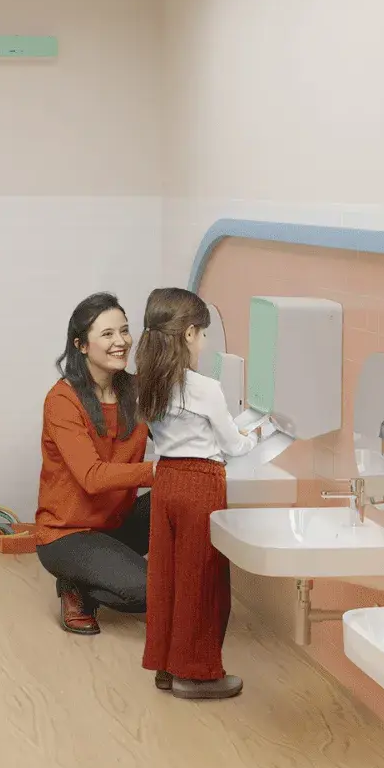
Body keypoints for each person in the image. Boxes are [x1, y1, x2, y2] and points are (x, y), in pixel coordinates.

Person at [135, 287, 255, 699]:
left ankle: (167, 667)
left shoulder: (148, 384)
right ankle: (198, 673)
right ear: (188, 334)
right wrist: (253, 437)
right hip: (200, 484)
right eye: (202, 334)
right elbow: (233, 445)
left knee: (167, 577)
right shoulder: (205, 388)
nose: (204, 342)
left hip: (165, 481)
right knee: (201, 580)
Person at [35, 292, 154, 635]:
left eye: (125, 331)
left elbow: (180, 425)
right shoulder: (63, 400)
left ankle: (96, 572)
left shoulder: (137, 391)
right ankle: (75, 583)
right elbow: (91, 477)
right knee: (148, 592)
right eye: (107, 334)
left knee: (186, 494)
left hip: (115, 524)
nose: (121, 342)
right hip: (67, 534)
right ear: (82, 346)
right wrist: (157, 472)